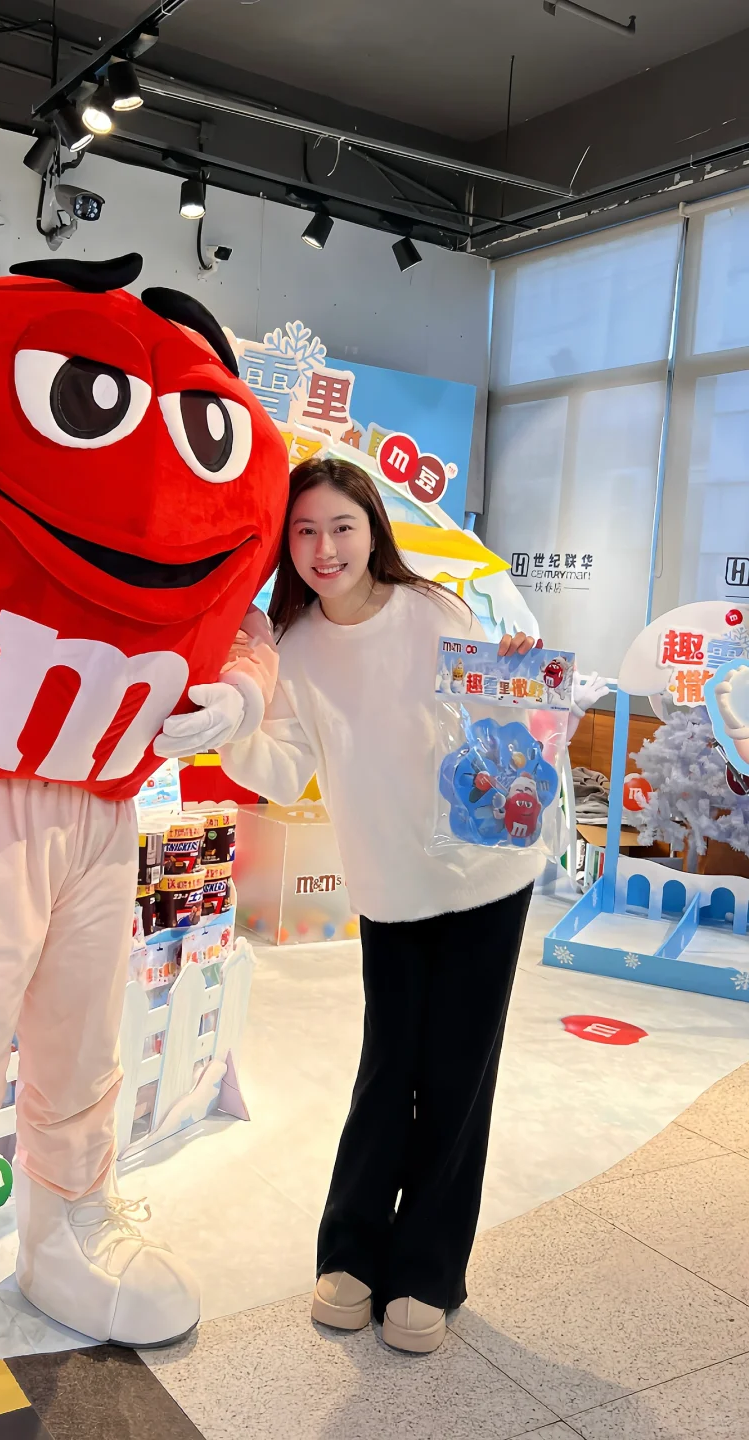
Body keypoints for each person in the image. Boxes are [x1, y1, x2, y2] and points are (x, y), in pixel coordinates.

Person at [155, 454, 545, 1355]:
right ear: (285, 545)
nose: (325, 548)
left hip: (486, 876)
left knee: (457, 1073)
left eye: (341, 527)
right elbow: (285, 768)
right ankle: (353, 1252)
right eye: (305, 531)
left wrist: (515, 674)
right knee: (387, 1070)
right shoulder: (293, 651)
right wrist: (241, 723)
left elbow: (488, 716)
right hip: (389, 884)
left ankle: (428, 1271)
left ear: (373, 528)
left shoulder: (433, 610)